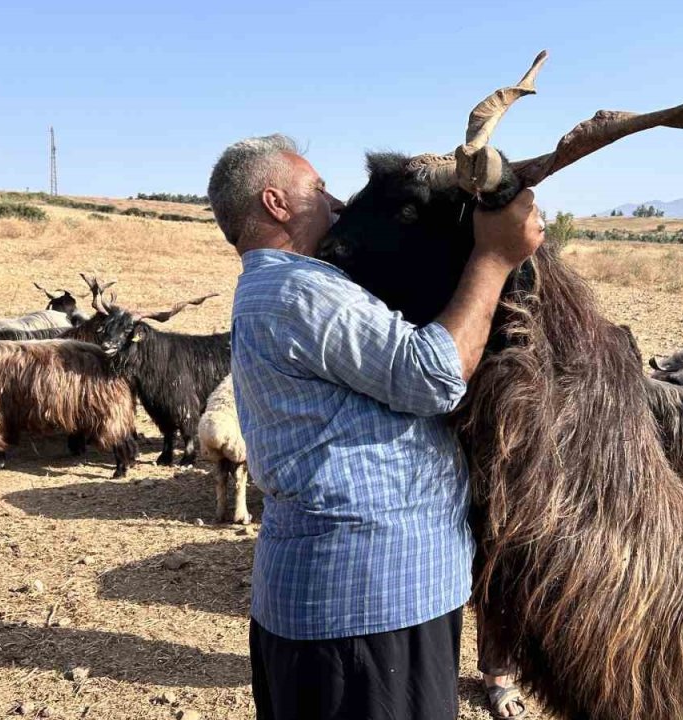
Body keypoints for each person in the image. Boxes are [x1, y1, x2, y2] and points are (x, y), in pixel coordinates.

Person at [207, 135, 543, 720]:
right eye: (318, 189)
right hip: (365, 605)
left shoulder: (273, 290)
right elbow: (435, 374)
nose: (337, 204)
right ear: (276, 203)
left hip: (358, 600)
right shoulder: (298, 289)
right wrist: (493, 257)